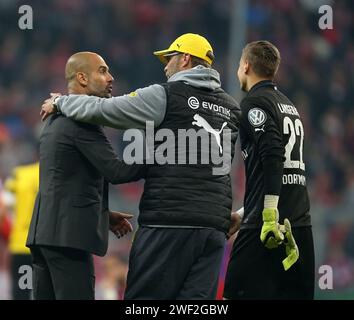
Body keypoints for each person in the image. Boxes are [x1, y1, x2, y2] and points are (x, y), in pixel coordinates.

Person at [40, 33, 242, 299]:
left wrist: (60, 102)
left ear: (185, 59)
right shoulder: (231, 107)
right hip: (213, 229)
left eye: (169, 59)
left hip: (168, 221)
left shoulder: (164, 95)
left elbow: (107, 110)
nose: (165, 66)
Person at [26, 52, 144, 300]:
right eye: (102, 71)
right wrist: (160, 159)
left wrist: (105, 215)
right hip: (68, 239)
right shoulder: (80, 120)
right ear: (81, 77)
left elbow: (66, 181)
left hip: (45, 234)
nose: (110, 78)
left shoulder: (56, 116)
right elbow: (116, 171)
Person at [223, 41, 315, 300]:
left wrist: (267, 213)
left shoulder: (253, 103)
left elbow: (274, 157)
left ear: (246, 66)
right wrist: (244, 212)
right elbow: (281, 171)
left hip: (267, 229)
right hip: (299, 227)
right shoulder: (288, 106)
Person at [4, 162, 39, 300]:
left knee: (22, 290)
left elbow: (5, 205)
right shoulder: (53, 173)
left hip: (21, 244)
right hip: (46, 245)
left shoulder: (18, 174)